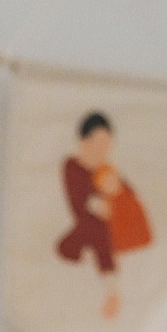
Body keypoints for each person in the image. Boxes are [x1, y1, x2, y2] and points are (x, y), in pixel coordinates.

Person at [55, 110, 142, 321]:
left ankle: (112, 292)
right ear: (83, 142)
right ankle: (110, 290)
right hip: (83, 235)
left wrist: (117, 193)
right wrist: (95, 204)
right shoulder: (72, 167)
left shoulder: (106, 171)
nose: (103, 151)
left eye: (107, 146)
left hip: (104, 235)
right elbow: (78, 200)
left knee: (101, 231)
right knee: (83, 237)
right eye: (98, 145)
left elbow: (128, 196)